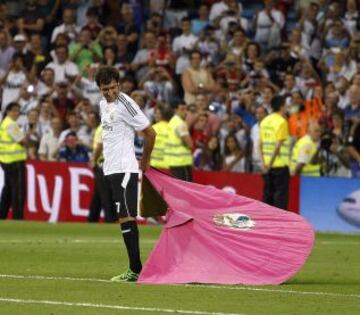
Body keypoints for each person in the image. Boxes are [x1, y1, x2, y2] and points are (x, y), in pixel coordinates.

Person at [95, 66, 156, 282]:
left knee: (126, 217)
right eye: (105, 90)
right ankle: (135, 268)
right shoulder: (103, 104)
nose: (110, 93)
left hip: (125, 168)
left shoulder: (127, 104)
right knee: (123, 217)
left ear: (119, 84)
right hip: (111, 169)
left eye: (113, 88)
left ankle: (135, 269)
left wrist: (145, 160)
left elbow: (150, 133)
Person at [260, 95, 290, 210]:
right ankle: (279, 225)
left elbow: (260, 145)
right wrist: (271, 163)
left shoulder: (264, 121)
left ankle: (267, 223)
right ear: (281, 106)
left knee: (267, 196)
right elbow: (278, 146)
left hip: (266, 165)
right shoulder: (282, 122)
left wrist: (264, 164)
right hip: (279, 165)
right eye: (285, 105)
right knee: (280, 198)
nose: (286, 107)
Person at [0, 102, 28, 220]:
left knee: (8, 190)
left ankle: (2, 215)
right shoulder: (11, 125)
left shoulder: (4, 123)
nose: (17, 113)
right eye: (14, 110)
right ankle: (18, 218)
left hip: (6, 161)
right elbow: (22, 141)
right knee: (19, 192)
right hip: (15, 161)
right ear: (8, 111)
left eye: (18, 111)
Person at [88, 125, 117, 223]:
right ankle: (108, 220)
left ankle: (93, 219)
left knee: (103, 195)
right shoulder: (113, 127)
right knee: (104, 196)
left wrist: (93, 160)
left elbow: (99, 146)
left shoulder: (102, 128)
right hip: (109, 165)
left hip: (103, 165)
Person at [167, 102, 193, 181]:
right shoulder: (180, 124)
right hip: (182, 162)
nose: (185, 112)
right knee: (185, 188)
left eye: (186, 109)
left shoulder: (171, 122)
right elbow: (190, 144)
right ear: (176, 110)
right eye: (182, 109)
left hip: (172, 161)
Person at [150, 105, 173, 170]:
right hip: (169, 167)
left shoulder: (153, 128)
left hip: (154, 166)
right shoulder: (173, 128)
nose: (156, 115)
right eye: (155, 113)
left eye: (158, 113)